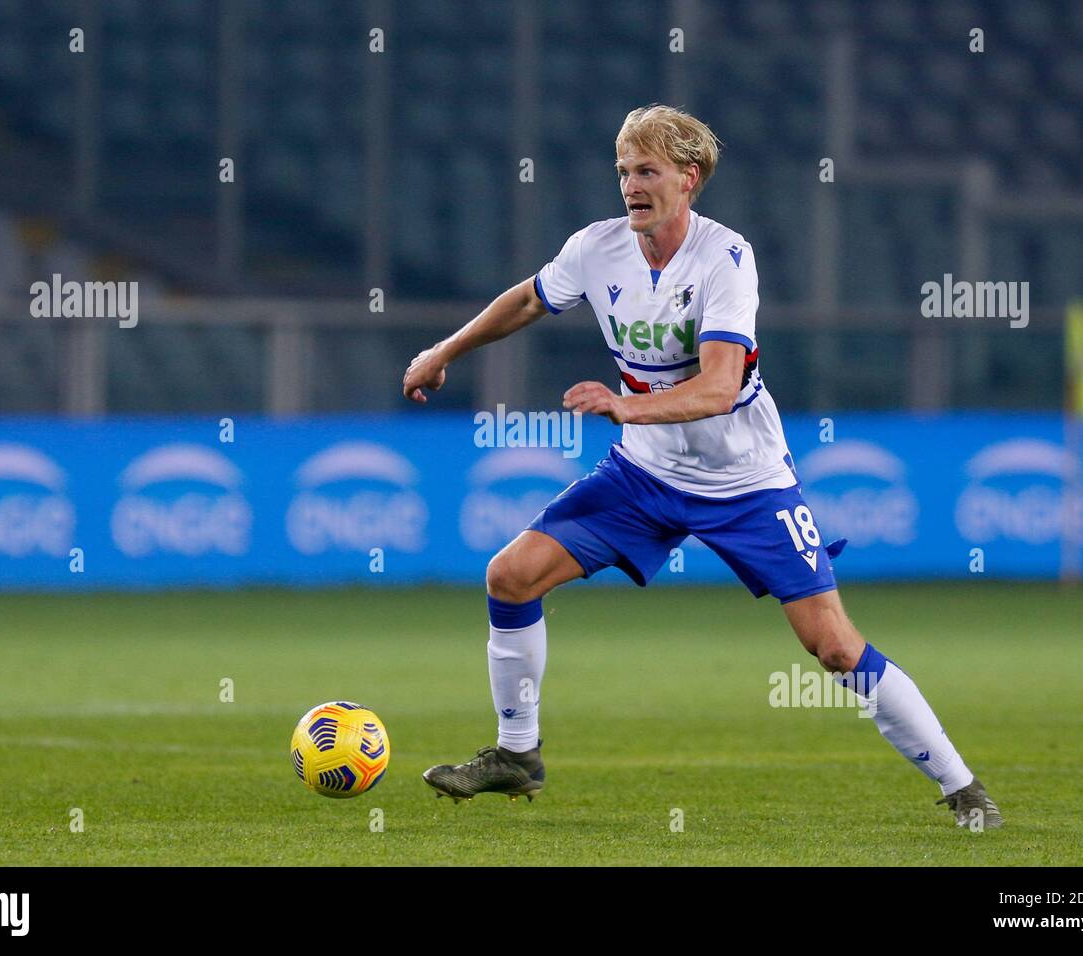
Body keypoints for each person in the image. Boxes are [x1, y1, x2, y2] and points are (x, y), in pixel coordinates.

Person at [402, 104, 1001, 830]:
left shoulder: (725, 258)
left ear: (688, 179)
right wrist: (443, 352)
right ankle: (517, 755)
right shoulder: (597, 249)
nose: (631, 184)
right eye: (623, 170)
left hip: (746, 481)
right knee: (510, 574)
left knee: (835, 647)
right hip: (645, 476)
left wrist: (628, 409)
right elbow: (530, 299)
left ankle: (963, 787)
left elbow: (719, 387)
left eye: (647, 170)